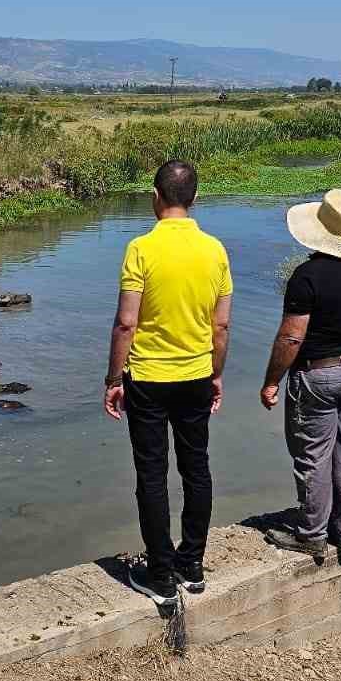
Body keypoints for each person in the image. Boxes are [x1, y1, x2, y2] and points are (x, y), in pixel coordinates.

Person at [103, 159, 233, 608]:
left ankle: (160, 574)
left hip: (148, 379)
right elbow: (221, 327)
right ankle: (192, 565)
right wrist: (216, 374)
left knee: (152, 474)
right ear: (194, 198)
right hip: (196, 375)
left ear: (155, 196)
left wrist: (113, 378)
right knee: (196, 467)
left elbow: (125, 323)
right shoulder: (215, 250)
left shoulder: (141, 248)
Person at [260, 189, 341, 564]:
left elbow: (291, 336)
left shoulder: (307, 276)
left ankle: (312, 535)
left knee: (313, 456)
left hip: (318, 376)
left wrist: (271, 381)